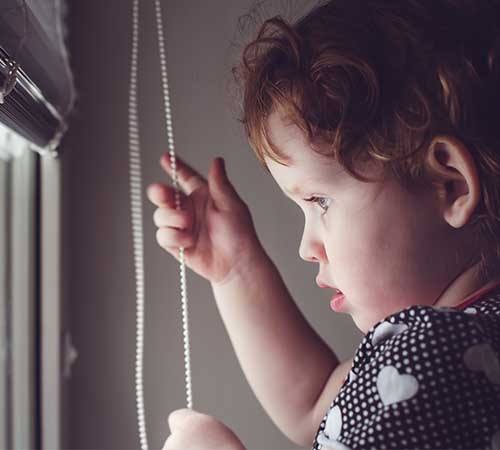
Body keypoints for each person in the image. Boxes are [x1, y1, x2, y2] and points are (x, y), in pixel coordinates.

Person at [147, 1, 500, 448]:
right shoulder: (458, 349)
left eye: (320, 201)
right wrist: (235, 268)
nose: (306, 245)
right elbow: (316, 406)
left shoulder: (437, 359)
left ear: (448, 185)